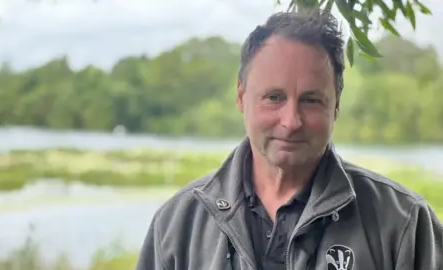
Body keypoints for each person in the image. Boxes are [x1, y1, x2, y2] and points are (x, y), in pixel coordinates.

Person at [135, 9, 443, 270]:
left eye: (311, 100)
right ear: (241, 97)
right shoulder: (177, 225)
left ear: (336, 105)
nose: (291, 121)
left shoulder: (404, 224)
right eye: (274, 97)